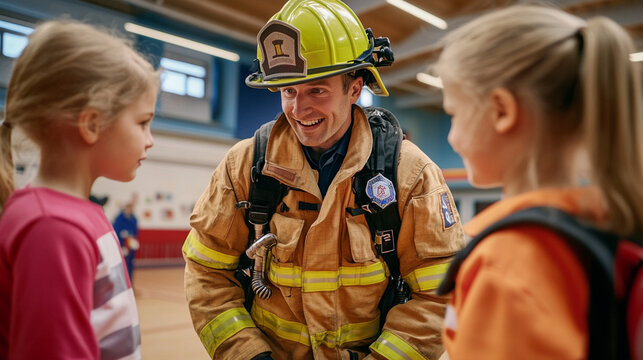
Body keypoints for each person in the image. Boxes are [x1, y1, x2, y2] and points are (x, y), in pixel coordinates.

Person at [183, 0, 465, 359]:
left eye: (317, 90)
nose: (299, 110)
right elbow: (206, 273)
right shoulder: (244, 166)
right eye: (289, 91)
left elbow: (440, 294)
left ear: (354, 88)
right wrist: (248, 355)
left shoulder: (410, 176)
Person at [434, 4, 643, 360]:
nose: (452, 138)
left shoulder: (509, 263)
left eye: (453, 113)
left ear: (502, 111)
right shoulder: (606, 221)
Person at [0, 20, 159, 359]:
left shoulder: (78, 214)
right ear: (91, 124)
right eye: (143, 122)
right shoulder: (53, 228)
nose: (150, 139)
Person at [113, 202, 141, 283]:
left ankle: (130, 284)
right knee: (120, 266)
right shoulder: (119, 219)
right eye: (128, 209)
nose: (129, 210)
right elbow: (116, 232)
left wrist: (134, 241)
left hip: (130, 246)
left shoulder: (134, 219)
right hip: (121, 246)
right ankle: (119, 284)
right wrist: (120, 246)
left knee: (130, 265)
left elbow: (135, 232)